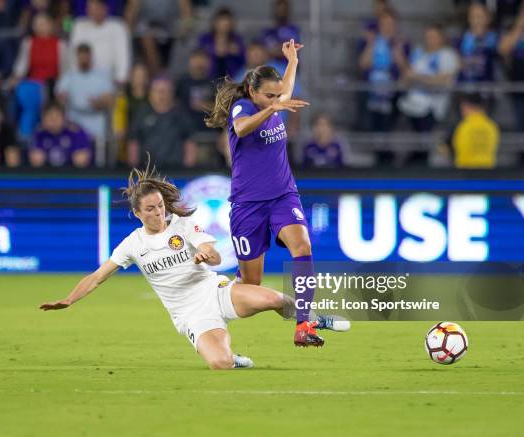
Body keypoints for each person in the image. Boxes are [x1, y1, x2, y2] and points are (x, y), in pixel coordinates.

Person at [39, 162, 349, 369]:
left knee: (273, 299)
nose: (159, 213)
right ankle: (235, 358)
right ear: (137, 213)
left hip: (214, 291)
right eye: (150, 209)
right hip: (188, 314)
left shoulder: (183, 224)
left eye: (160, 206)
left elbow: (212, 254)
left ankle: (308, 319)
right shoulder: (132, 244)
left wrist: (205, 256)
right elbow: (96, 277)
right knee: (220, 364)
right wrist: (69, 299)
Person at [205, 39, 329, 346]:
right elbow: (244, 127)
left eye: (276, 95)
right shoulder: (243, 107)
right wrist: (274, 106)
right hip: (248, 205)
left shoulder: (271, 100)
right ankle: (221, 297)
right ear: (252, 91)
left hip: (283, 196)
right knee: (252, 284)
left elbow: (284, 91)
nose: (276, 99)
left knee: (302, 246)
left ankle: (303, 326)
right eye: (269, 95)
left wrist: (293, 62)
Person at [12, 13, 68, 138]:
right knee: (26, 95)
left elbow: (64, 68)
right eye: (37, 24)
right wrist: (15, 78)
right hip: (32, 83)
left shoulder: (60, 44)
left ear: (51, 25)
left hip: (53, 84)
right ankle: (25, 137)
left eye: (43, 24)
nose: (40, 27)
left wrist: (63, 86)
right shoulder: (28, 42)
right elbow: (21, 65)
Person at [397, 24, 460, 132]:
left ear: (441, 38)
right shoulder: (418, 53)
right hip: (412, 104)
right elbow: (407, 76)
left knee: (424, 140)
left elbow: (443, 80)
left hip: (432, 107)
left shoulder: (447, 55)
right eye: (428, 36)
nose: (430, 40)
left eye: (434, 36)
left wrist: (417, 77)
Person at [127, 76, 197, 169]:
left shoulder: (181, 115)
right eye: (159, 91)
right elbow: (133, 142)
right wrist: (133, 169)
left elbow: (190, 143)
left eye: (166, 91)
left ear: (172, 93)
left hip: (176, 171)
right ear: (151, 93)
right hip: (147, 172)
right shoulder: (141, 114)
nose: (162, 95)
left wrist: (188, 169)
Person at [56, 43, 115, 143]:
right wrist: (63, 99)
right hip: (73, 121)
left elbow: (110, 101)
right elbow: (59, 98)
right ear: (77, 57)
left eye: (86, 57)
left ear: (91, 57)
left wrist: (99, 103)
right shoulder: (69, 76)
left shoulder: (102, 76)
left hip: (95, 122)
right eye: (81, 56)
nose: (83, 60)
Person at [69, 0, 131, 85]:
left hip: (110, 80)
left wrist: (121, 78)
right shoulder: (79, 26)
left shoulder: (118, 27)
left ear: (105, 9)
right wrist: (75, 79)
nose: (91, 11)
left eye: (95, 8)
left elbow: (123, 56)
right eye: (89, 8)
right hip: (84, 80)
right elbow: (73, 55)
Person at [499, 0, 524, 132]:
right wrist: (520, 26)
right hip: (519, 90)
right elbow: (503, 49)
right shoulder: (512, 27)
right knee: (522, 130)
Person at [441, 93, 499, 169]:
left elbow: (444, 149)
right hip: (488, 172)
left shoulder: (460, 126)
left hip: (464, 173)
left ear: (465, 106)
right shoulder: (492, 126)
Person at [29, 102, 94, 168]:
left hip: (72, 174)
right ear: (43, 119)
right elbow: (35, 156)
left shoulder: (75, 132)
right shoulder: (39, 134)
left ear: (64, 118)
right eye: (49, 117)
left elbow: (83, 155)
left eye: (57, 117)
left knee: (80, 159)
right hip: (46, 174)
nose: (53, 121)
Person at [198, 7, 245, 80]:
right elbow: (199, 56)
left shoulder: (236, 40)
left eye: (227, 21)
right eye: (222, 20)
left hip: (232, 78)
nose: (224, 24)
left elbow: (243, 60)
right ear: (215, 22)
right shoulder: (205, 39)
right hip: (209, 79)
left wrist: (235, 52)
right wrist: (214, 51)